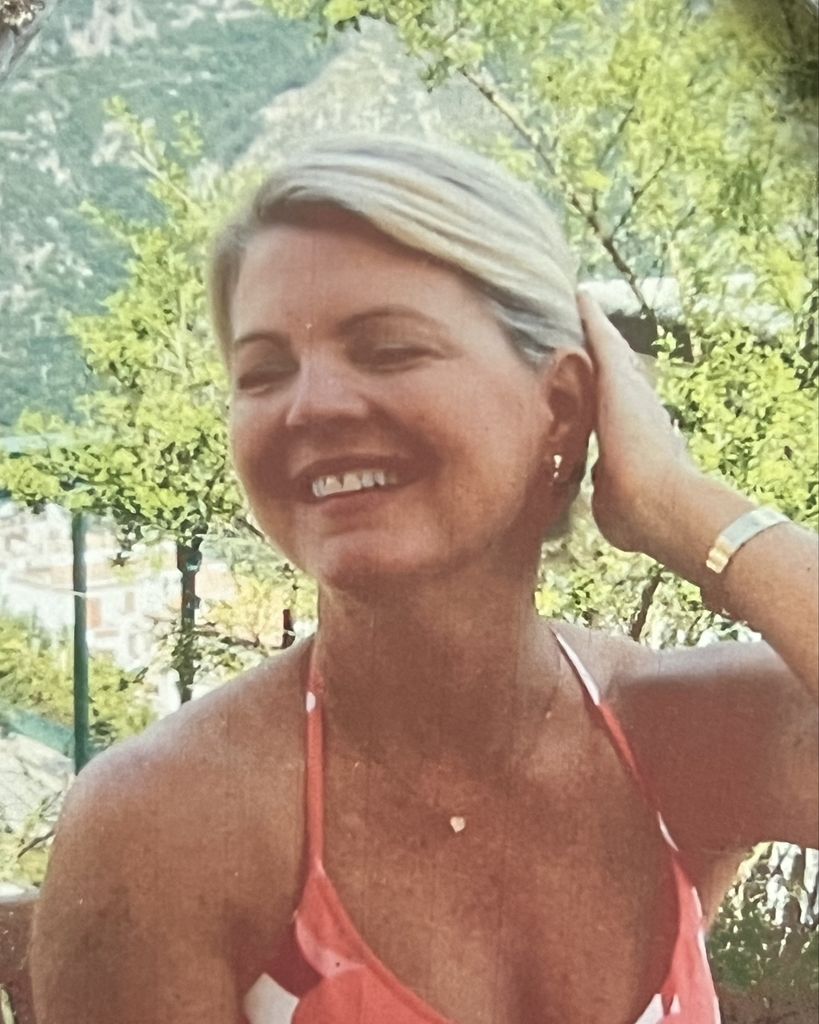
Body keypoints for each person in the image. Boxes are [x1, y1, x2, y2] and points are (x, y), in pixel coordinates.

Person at [31, 136, 818, 1024]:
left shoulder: (670, 739)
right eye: (264, 372)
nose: (312, 405)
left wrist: (680, 505)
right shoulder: (175, 823)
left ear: (561, 406)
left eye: (388, 350)